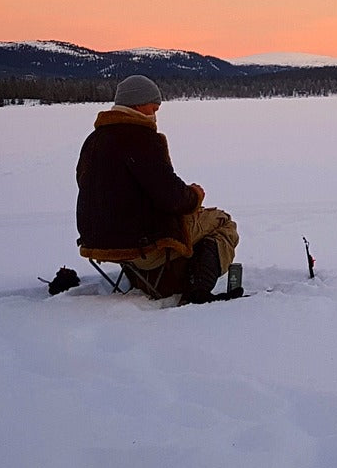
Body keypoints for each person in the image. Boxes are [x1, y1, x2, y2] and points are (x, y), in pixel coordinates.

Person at [76, 74, 239, 303]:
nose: (155, 115)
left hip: (101, 241)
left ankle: (160, 278)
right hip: (142, 243)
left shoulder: (93, 141)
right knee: (222, 221)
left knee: (199, 222)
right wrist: (195, 195)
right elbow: (171, 197)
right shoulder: (141, 138)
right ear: (137, 104)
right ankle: (197, 291)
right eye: (153, 108)